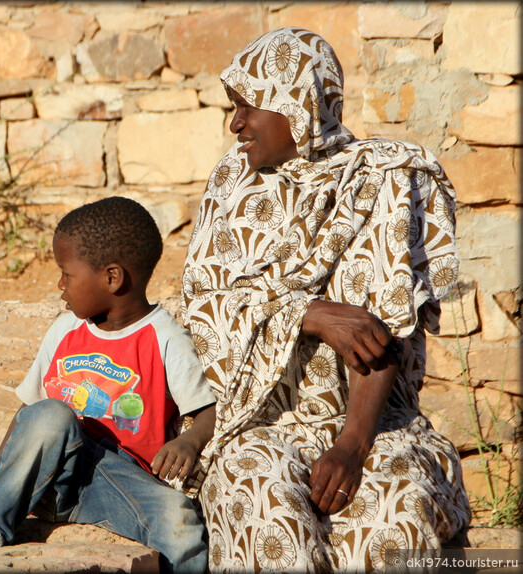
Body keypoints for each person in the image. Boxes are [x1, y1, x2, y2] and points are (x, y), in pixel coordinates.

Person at [179, 28, 471, 572]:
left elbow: (382, 324)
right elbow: (202, 303)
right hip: (257, 422)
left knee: (394, 513)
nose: (235, 122)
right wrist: (307, 313)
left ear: (301, 104)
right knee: (262, 501)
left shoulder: (382, 177)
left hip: (368, 421)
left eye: (248, 106)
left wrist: (352, 446)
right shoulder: (230, 181)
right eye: (233, 107)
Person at [0, 196, 217, 572]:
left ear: (112, 277)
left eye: (66, 274)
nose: (59, 284)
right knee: (51, 413)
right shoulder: (65, 329)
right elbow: (30, 415)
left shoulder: (164, 337)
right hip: (47, 479)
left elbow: (206, 410)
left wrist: (189, 440)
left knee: (179, 518)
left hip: (118, 482)